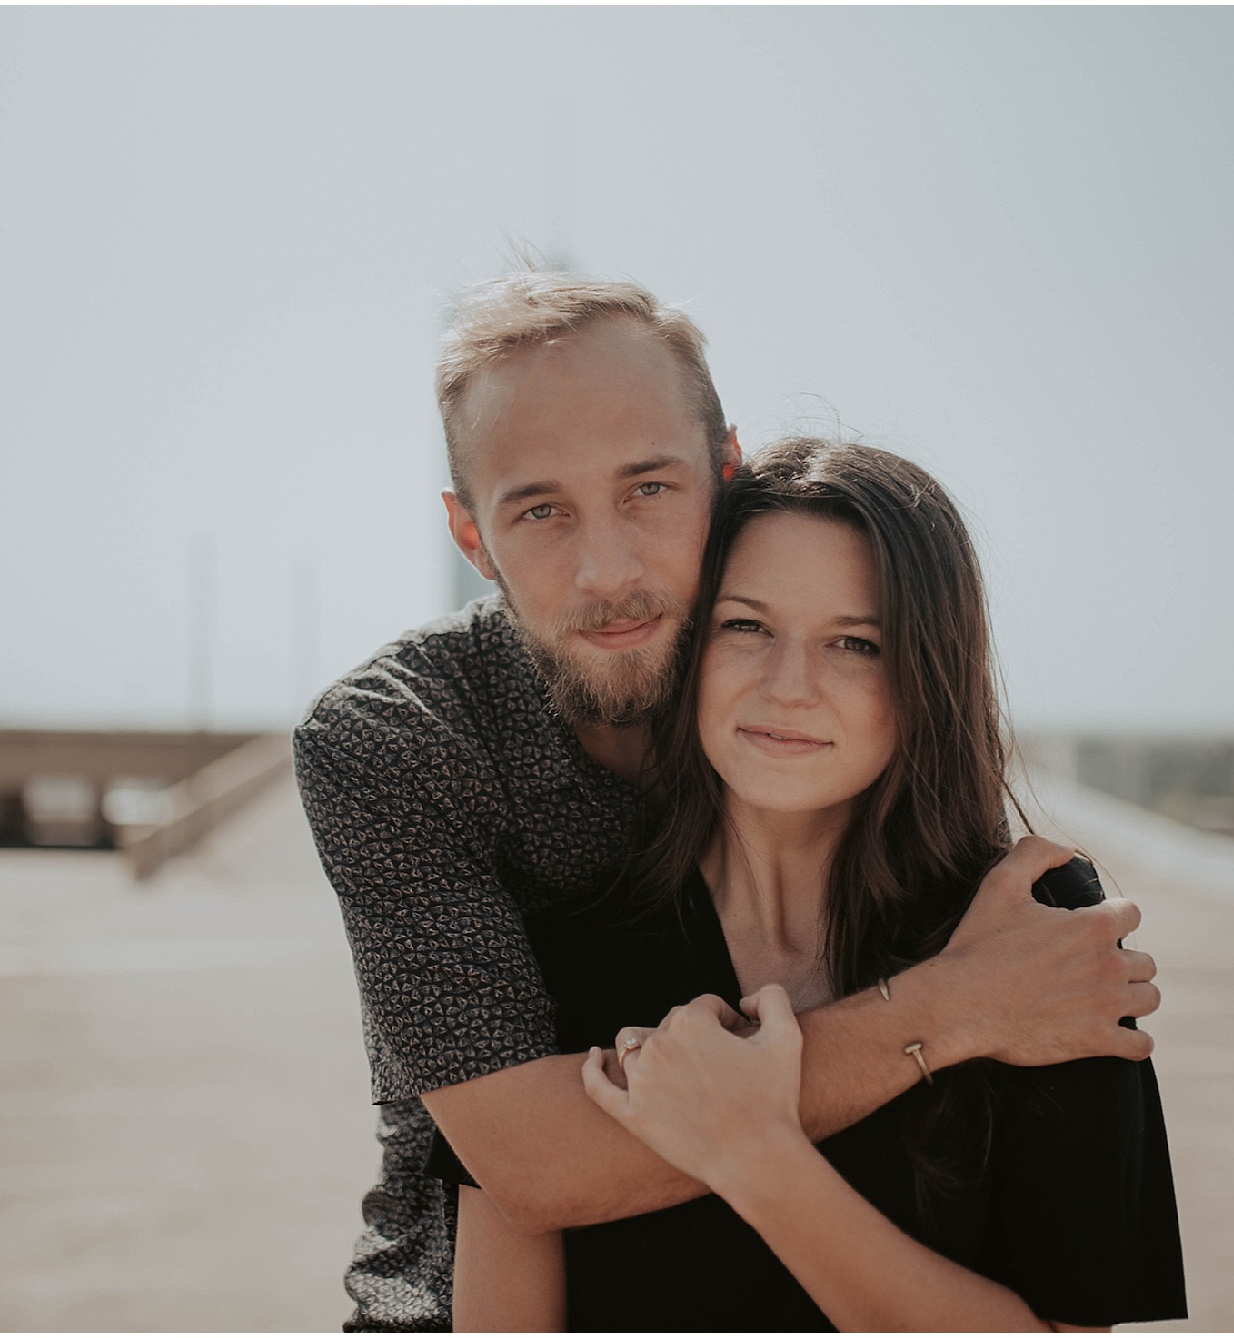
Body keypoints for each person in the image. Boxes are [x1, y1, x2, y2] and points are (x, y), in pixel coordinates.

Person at [293, 272, 1162, 1332]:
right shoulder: (424, 769)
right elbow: (530, 1163)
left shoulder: (1021, 922)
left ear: (723, 474)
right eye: (540, 510)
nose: (607, 570)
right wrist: (952, 1009)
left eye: (647, 490)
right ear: (470, 539)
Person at [445, 438, 1185, 1331]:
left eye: (855, 643)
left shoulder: (1032, 927)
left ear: (927, 673)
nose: (788, 687)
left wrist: (757, 1157)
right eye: (746, 626)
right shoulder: (554, 939)